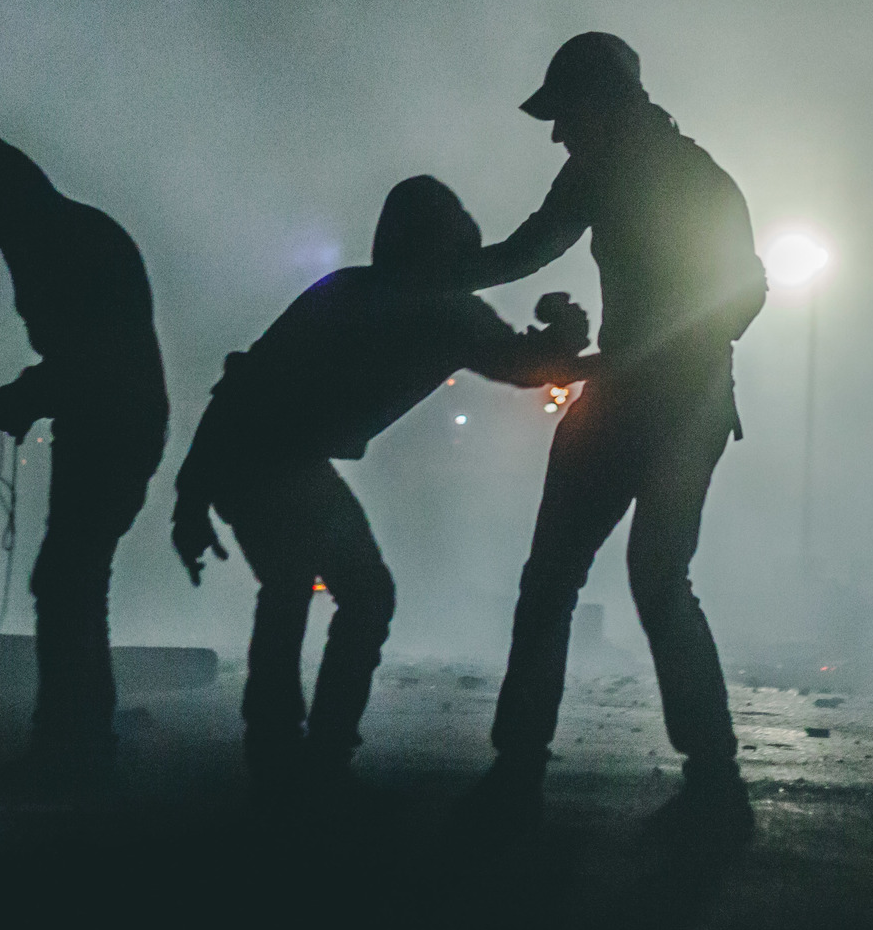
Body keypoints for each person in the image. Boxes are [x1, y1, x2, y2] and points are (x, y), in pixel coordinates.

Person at [170, 176, 591, 802]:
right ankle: (303, 753)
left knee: (315, 589)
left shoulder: (353, 291)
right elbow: (525, 365)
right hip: (272, 457)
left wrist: (191, 496)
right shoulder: (447, 311)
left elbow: (242, 382)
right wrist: (574, 345)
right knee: (346, 593)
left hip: (264, 454)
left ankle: (288, 750)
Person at [452, 32, 767, 847]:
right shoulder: (649, 170)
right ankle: (710, 778)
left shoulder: (680, 177)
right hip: (659, 404)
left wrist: (660, 349)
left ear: (606, 104)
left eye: (565, 115)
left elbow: (744, 293)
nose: (557, 133)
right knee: (637, 579)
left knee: (582, 579)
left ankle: (525, 771)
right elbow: (533, 247)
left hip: (670, 405)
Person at [0, 135, 169, 791]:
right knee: (73, 578)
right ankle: (76, 740)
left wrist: (28, 395)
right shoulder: (71, 236)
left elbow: (92, 358)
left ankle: (69, 746)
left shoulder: (64, 246)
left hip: (112, 428)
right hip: (110, 426)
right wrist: (34, 394)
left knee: (67, 579)